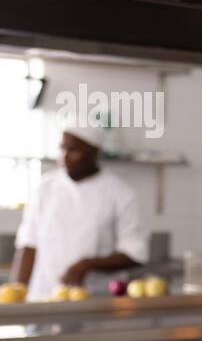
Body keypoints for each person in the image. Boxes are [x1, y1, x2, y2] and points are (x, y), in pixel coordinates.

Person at [12, 123, 148, 300]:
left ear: (95, 151)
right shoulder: (45, 188)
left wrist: (87, 265)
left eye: (74, 150)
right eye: (62, 149)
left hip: (94, 301)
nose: (64, 157)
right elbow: (29, 245)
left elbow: (135, 254)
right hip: (43, 298)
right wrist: (17, 293)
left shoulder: (120, 194)